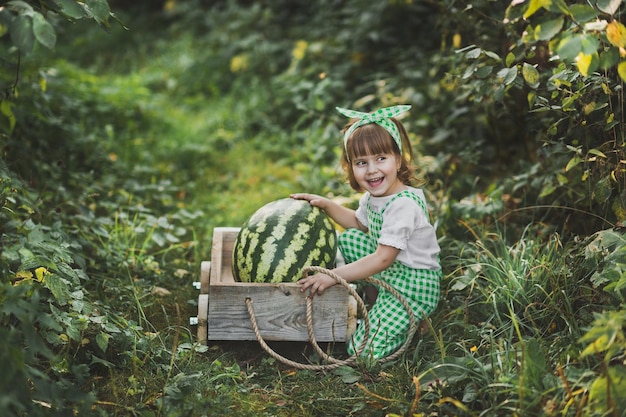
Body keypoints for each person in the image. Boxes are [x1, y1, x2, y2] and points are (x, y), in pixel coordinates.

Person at [291, 105, 441, 360]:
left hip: (413, 285)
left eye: (380, 158)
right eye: (362, 163)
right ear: (352, 167)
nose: (371, 170)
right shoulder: (374, 198)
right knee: (349, 240)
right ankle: (375, 305)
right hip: (393, 272)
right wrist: (327, 205)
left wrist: (332, 276)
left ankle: (409, 321)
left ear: (398, 158)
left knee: (362, 352)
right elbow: (359, 224)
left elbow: (383, 258)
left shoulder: (403, 204)